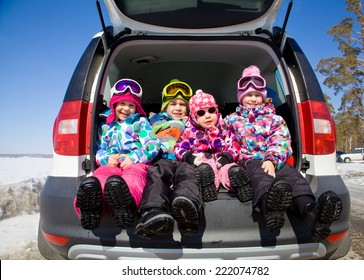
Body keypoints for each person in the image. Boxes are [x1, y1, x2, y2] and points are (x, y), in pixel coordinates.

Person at [224, 65, 343, 241]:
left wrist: (272, 159)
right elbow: (225, 141)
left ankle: (311, 214)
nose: (253, 99)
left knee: (293, 176)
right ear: (241, 98)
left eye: (258, 95)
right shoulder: (231, 119)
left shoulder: (275, 119)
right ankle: (271, 208)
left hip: (274, 160)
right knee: (260, 175)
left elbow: (281, 142)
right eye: (249, 95)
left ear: (264, 98)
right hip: (248, 161)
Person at [74, 78, 160, 230]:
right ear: (114, 104)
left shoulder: (140, 123)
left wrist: (133, 158)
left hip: (135, 162)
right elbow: (99, 149)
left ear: (137, 108)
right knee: (100, 176)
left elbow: (153, 145)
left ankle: (125, 207)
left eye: (131, 105)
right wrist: (106, 159)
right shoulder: (106, 125)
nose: (126, 109)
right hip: (112, 163)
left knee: (134, 178)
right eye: (122, 104)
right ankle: (90, 210)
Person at [135, 79, 202, 239]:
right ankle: (152, 212)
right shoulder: (154, 120)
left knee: (188, 176)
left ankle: (186, 206)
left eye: (182, 104)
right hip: (162, 158)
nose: (178, 108)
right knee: (157, 175)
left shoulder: (191, 123)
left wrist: (192, 122)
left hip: (183, 160)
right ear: (164, 106)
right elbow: (149, 137)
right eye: (173, 104)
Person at [174, 89, 253, 203]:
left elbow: (234, 143)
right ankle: (208, 187)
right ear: (193, 117)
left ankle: (239, 182)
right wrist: (190, 157)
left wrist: (227, 156)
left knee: (228, 169)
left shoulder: (223, 127)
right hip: (202, 162)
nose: (207, 116)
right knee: (205, 171)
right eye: (201, 113)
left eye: (211, 111)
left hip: (222, 160)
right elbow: (179, 148)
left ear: (216, 111)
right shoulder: (189, 131)